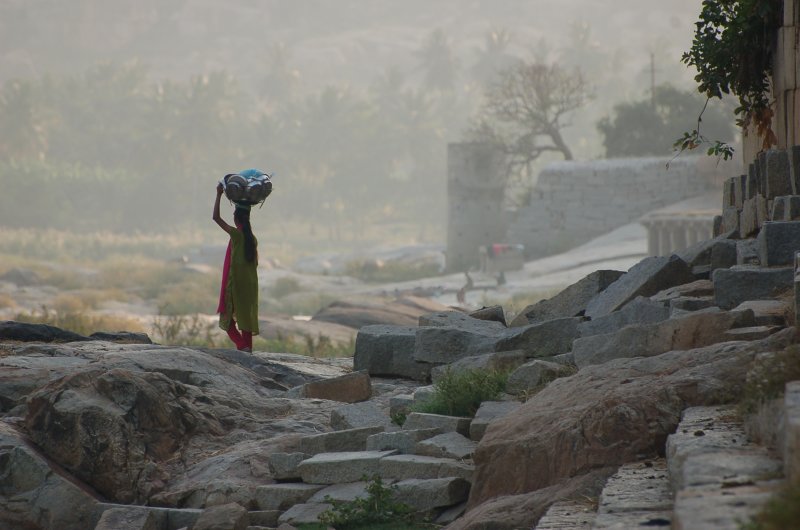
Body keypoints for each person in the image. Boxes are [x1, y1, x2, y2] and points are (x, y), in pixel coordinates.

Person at [213, 182, 259, 352]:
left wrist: (218, 194)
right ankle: (247, 350)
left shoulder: (236, 235)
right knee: (246, 319)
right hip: (250, 285)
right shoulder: (252, 239)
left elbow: (216, 218)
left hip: (236, 284)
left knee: (227, 318)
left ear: (236, 218)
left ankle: (241, 346)